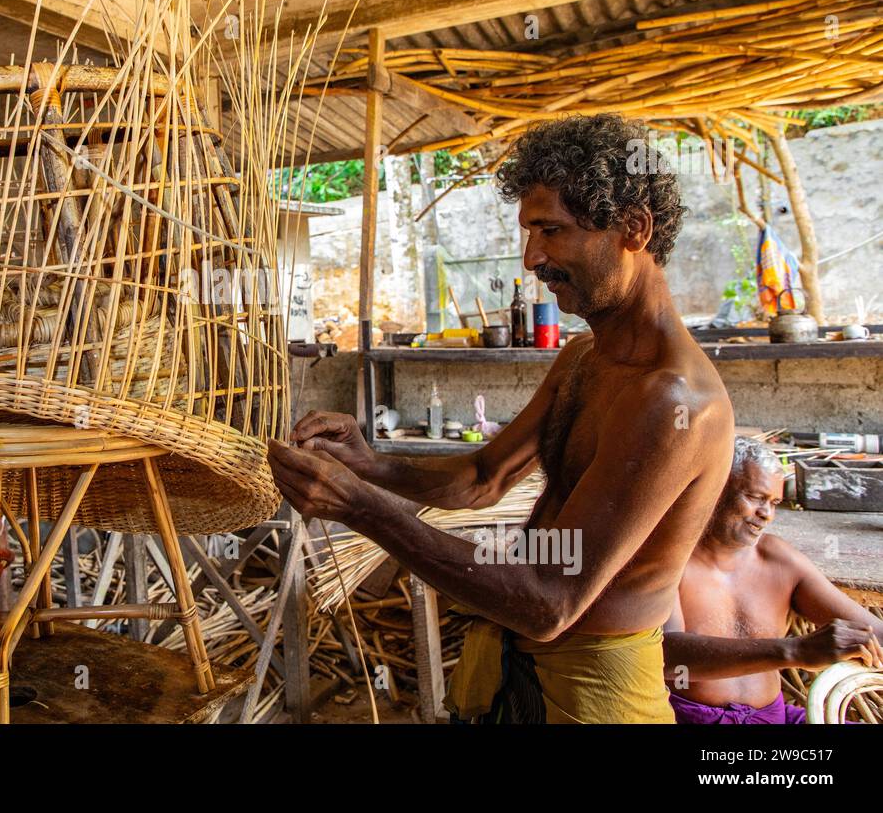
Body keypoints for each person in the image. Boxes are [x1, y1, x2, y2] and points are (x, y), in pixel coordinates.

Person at [270, 114, 734, 723]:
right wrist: (370, 464)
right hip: (512, 667)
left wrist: (360, 506)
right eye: (528, 232)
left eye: (551, 231)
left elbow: (551, 604)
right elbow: (483, 477)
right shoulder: (581, 359)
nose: (532, 257)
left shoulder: (674, 403)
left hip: (595, 691)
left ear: (634, 229)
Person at [664, 436, 883, 723]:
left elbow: (873, 632)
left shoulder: (776, 558)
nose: (766, 514)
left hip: (773, 716)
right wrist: (795, 651)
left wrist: (865, 641)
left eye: (774, 502)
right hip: (690, 718)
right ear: (715, 490)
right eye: (755, 497)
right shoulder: (670, 560)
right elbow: (670, 657)